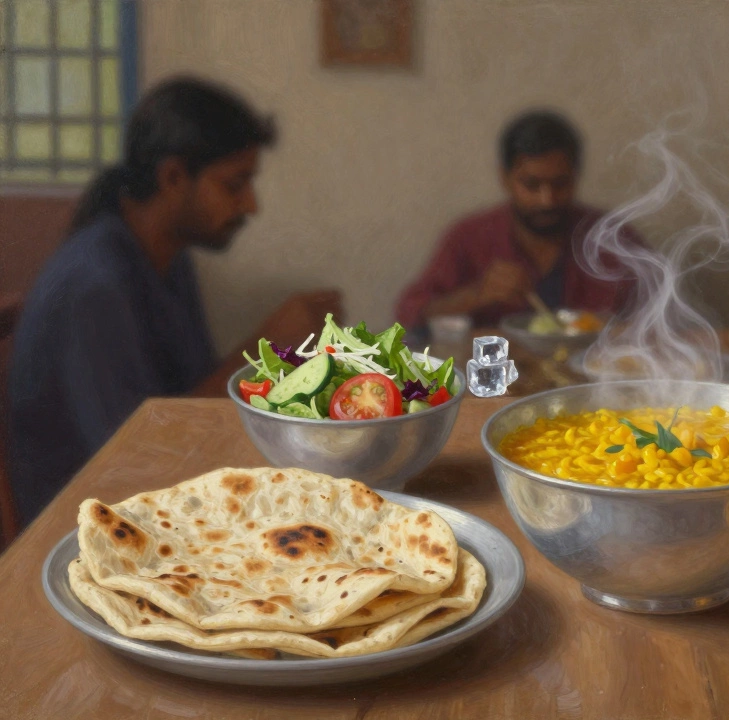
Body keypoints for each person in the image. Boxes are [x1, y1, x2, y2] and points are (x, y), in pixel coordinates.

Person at [6, 77, 343, 524]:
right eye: (234, 184)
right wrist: (267, 346)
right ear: (172, 177)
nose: (251, 205)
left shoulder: (168, 257)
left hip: (158, 496)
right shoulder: (95, 283)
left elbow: (192, 405)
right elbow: (135, 456)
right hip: (85, 525)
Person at [395, 110, 641, 331]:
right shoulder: (470, 237)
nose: (547, 200)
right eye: (531, 185)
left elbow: (664, 316)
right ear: (505, 178)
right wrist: (477, 294)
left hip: (592, 376)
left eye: (560, 183)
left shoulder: (612, 238)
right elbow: (409, 314)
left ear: (576, 177)